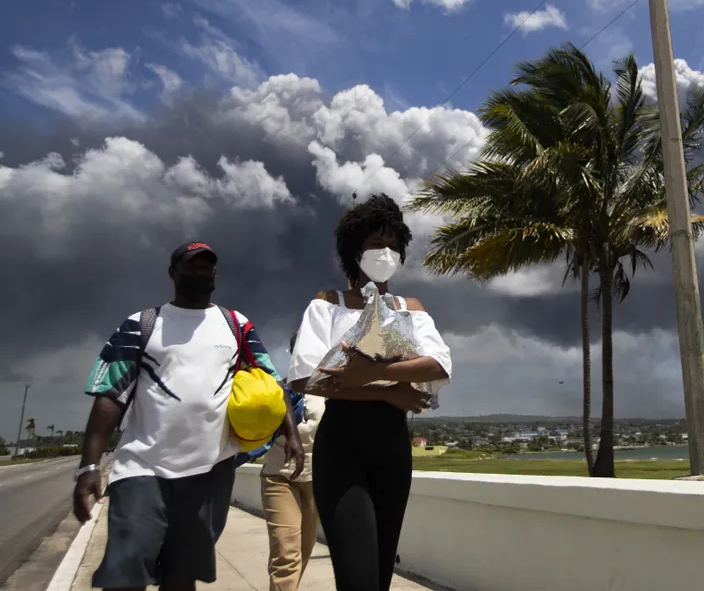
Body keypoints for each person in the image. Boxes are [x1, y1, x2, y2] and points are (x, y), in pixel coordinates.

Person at [73, 241, 304, 591]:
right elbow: (110, 396)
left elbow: (271, 382)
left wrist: (291, 434)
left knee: (181, 576)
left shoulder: (235, 325)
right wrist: (89, 466)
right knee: (124, 574)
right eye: (191, 263)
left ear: (215, 274)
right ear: (172, 272)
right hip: (143, 469)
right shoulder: (141, 324)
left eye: (207, 264)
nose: (200, 269)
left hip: (209, 472)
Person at [289, 193, 452, 591]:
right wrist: (387, 392)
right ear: (354, 250)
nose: (386, 253)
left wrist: (366, 373)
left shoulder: (410, 307)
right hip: (341, 444)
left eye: (394, 246)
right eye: (376, 244)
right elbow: (303, 379)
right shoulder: (327, 305)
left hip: (392, 449)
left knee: (380, 576)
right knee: (356, 577)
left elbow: (439, 365)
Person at [261, 330, 326, 591]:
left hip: (317, 481)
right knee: (287, 555)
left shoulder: (333, 394)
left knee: (303, 552)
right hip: (280, 476)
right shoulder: (279, 389)